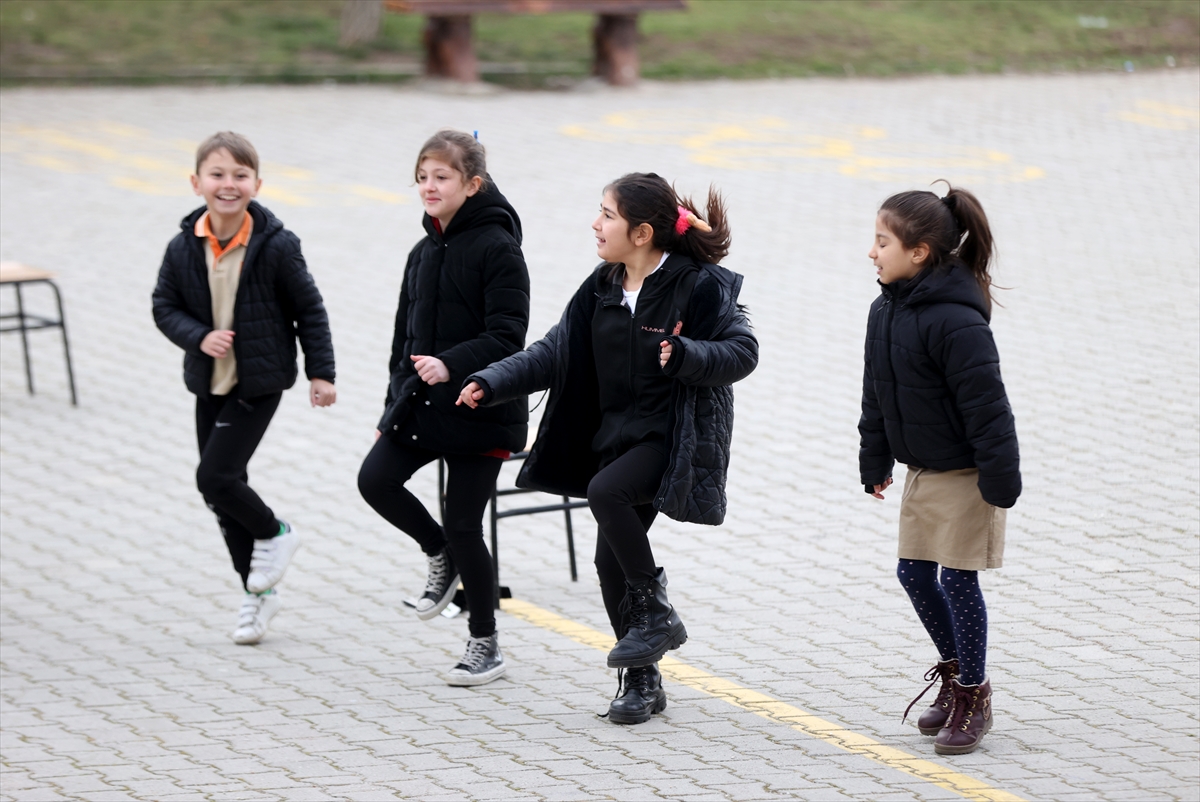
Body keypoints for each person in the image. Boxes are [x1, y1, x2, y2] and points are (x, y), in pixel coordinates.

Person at [459, 172, 758, 723]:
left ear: (642, 233)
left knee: (606, 492)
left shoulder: (698, 285)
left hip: (671, 442)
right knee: (607, 558)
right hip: (615, 439)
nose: (595, 224)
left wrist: (689, 354)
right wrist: (492, 380)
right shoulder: (601, 286)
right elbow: (553, 351)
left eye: (607, 215)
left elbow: (743, 351)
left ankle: (656, 612)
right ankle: (642, 678)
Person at [357, 130, 529, 687]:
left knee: (464, 524)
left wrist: (452, 364)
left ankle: (485, 642)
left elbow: (508, 335)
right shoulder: (422, 251)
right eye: (423, 177)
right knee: (375, 480)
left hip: (482, 402)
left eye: (442, 177)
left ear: (472, 184)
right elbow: (402, 338)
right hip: (423, 403)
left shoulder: (499, 248)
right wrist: (391, 403)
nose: (429, 187)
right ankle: (439, 555)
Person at [152, 131, 336, 645]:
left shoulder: (277, 245)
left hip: (259, 379)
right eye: (217, 174)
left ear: (257, 183)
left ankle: (277, 533)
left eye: (239, 175)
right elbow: (163, 306)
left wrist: (323, 373)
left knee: (214, 478)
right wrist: (199, 336)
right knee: (224, 493)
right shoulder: (183, 245)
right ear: (196, 183)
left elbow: (309, 310)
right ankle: (257, 597)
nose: (227, 184)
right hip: (208, 382)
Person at [859, 183, 1021, 755]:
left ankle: (974, 694)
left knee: (956, 578)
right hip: (923, 469)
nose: (872, 252)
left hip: (969, 473)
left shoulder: (956, 321)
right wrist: (874, 457)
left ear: (919, 251)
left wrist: (1001, 478)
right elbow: (876, 391)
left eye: (882, 242)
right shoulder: (886, 309)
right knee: (913, 573)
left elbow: (988, 405)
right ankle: (953, 676)